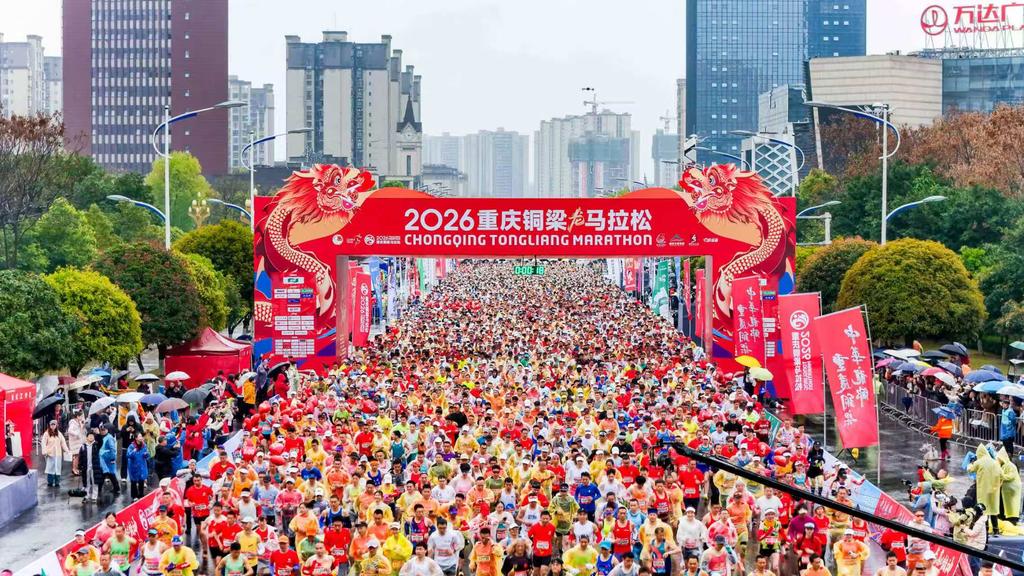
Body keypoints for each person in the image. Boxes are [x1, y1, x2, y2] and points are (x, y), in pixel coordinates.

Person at [42, 419, 70, 487]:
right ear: (50, 425)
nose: (53, 426)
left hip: (58, 454)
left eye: (54, 424)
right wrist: (45, 451)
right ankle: (50, 482)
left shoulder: (59, 434)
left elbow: (63, 443)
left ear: (56, 425)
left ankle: (57, 482)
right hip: (50, 454)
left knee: (57, 468)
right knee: (50, 468)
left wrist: (67, 450)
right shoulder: (46, 434)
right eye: (52, 424)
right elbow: (43, 443)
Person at [98, 426, 120, 497]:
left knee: (106, 473)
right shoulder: (102, 436)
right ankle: (116, 488)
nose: (102, 431)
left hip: (108, 459)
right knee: (109, 474)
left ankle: (99, 489)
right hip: (103, 458)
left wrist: (112, 458)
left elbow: (113, 449)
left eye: (104, 430)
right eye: (101, 430)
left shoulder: (109, 438)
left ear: (107, 430)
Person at [127, 434, 151, 499]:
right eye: (139, 436)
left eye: (141, 436)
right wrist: (133, 451)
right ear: (136, 438)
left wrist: (146, 454)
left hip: (142, 465)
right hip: (134, 466)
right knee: (133, 481)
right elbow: (128, 455)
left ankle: (141, 495)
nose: (141, 438)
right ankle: (134, 496)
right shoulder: (131, 446)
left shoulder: (144, 445)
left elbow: (147, 454)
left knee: (141, 480)